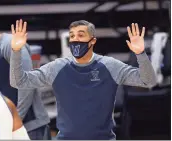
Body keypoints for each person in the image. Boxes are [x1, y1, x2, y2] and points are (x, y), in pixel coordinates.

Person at [10, 19, 157, 139]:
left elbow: (148, 81)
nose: (75, 40)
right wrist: (16, 51)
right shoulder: (57, 67)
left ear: (92, 41)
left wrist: (141, 54)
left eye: (81, 35)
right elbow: (19, 81)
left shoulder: (109, 65)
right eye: (72, 36)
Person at [0, 22, 50, 139]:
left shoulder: (9, 44)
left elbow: (27, 86)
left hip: (32, 126)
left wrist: (15, 119)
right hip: (15, 127)